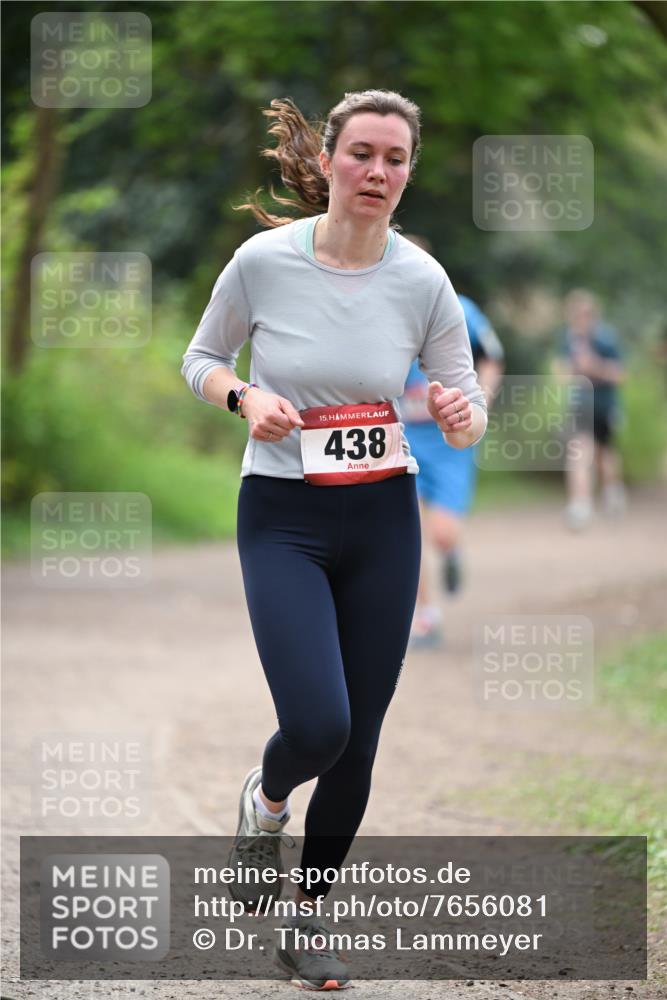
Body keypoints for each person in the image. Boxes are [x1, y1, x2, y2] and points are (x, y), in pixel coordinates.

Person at [181, 89, 487, 990]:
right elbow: (201, 360)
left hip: (383, 515)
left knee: (360, 738)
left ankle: (309, 919)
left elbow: (461, 412)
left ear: (407, 172)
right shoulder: (262, 262)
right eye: (361, 154)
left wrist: (458, 416)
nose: (377, 172)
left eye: (395, 159)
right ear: (328, 162)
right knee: (318, 722)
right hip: (282, 515)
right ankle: (266, 800)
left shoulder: (422, 280)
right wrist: (244, 399)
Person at [397, 237, 504, 649]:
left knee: (441, 534)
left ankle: (453, 551)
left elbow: (492, 357)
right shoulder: (384, 305)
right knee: (413, 532)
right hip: (404, 438)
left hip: (450, 442)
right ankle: (426, 615)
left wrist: (482, 400)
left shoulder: (461, 308)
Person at [552, 289, 626, 531]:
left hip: (604, 405)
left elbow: (619, 374)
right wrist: (569, 370)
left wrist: (595, 367)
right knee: (579, 451)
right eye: (576, 314)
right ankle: (580, 505)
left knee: (604, 452)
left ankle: (612, 492)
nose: (580, 319)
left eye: (585, 314)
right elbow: (561, 372)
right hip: (579, 404)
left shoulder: (606, 338)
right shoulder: (568, 339)